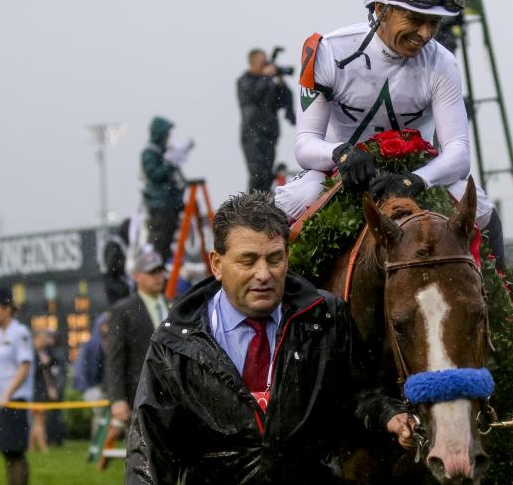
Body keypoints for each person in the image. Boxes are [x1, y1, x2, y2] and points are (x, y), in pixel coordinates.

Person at [126, 192, 414, 483]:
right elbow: (149, 451)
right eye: (248, 261)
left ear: (287, 257)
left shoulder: (326, 317)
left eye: (274, 259)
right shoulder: (175, 343)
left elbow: (361, 395)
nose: (263, 274)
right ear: (216, 264)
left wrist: (390, 416)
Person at [276, 0, 508, 265]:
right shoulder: (329, 52)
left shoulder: (443, 63)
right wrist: (341, 154)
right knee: (283, 208)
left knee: (483, 212)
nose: (425, 34)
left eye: (434, 23)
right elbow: (305, 146)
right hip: (341, 173)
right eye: (414, 19)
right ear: (379, 8)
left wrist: (415, 180)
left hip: (416, 174)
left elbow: (459, 153)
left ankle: (502, 296)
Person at [104, 250, 168, 428]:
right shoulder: (123, 310)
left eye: (160, 271)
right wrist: (117, 398)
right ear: (137, 276)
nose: (158, 276)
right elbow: (115, 357)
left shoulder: (174, 305)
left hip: (175, 396)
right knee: (143, 445)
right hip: (141, 395)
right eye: (152, 272)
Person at [0, 286, 33, 485]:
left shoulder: (19, 332)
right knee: (7, 452)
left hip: (13, 401)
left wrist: (7, 394)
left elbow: (24, 366)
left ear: (7, 308)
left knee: (15, 452)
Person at [237, 48, 295, 193]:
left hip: (269, 133)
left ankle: (262, 202)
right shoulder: (244, 81)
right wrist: (265, 76)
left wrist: (280, 79)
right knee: (257, 173)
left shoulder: (268, 83)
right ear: (252, 62)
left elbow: (283, 99)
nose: (265, 64)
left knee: (267, 175)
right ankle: (251, 203)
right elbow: (254, 95)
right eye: (262, 61)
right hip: (252, 134)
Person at [141, 116, 187, 262]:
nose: (168, 137)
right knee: (159, 239)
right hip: (160, 204)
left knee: (167, 239)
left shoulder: (164, 151)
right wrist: (169, 165)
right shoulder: (150, 152)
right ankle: (154, 267)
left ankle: (162, 265)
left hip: (170, 203)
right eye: (166, 134)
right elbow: (154, 174)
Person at [29, 330, 66, 452]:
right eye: (43, 339)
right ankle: (43, 447)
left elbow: (49, 370)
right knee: (39, 419)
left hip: (41, 389)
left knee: (38, 419)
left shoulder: (44, 352)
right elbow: (36, 372)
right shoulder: (30, 353)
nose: (45, 342)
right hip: (36, 389)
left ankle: (31, 447)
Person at [102, 218, 132, 306]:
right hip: (115, 284)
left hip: (121, 284)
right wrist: (127, 265)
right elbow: (111, 266)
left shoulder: (123, 243)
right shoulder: (114, 243)